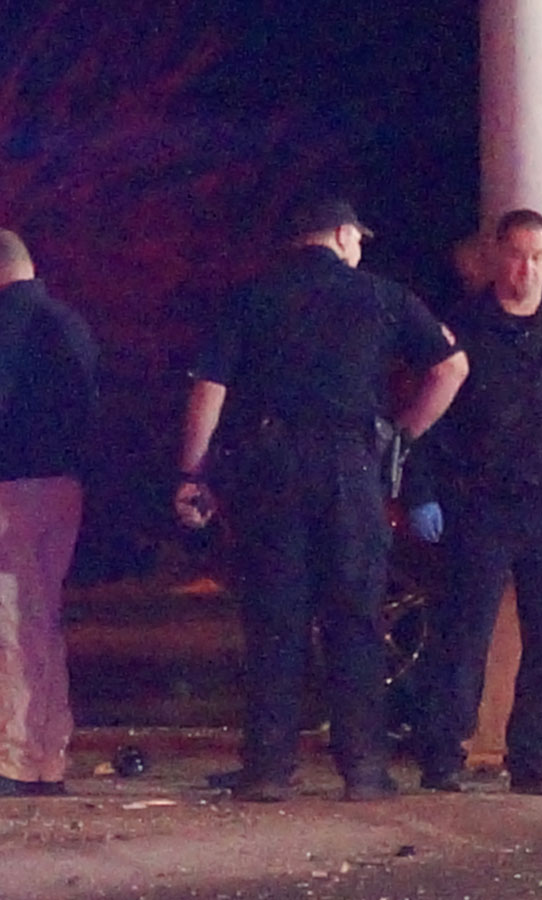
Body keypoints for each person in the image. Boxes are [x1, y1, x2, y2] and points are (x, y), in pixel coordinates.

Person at [173, 198, 468, 802]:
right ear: (340, 234)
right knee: (355, 617)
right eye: (358, 239)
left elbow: (210, 389)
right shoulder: (383, 296)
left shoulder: (251, 297)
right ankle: (364, 769)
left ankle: (268, 769)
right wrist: (401, 435)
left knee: (275, 619)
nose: (360, 249)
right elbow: (451, 368)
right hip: (351, 468)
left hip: (272, 468)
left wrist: (193, 473)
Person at [404, 209, 542, 796]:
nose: (526, 269)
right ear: (496, 256)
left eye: (537, 257)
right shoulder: (463, 326)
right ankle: (443, 755)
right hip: (480, 504)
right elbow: (428, 418)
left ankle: (532, 761)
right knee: (462, 636)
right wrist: (421, 491)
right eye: (516, 255)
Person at [0, 230, 97, 798]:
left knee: (12, 622)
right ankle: (46, 754)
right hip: (64, 485)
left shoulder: (7, 325)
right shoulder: (70, 323)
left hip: (13, 487)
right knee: (42, 620)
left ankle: (17, 760)